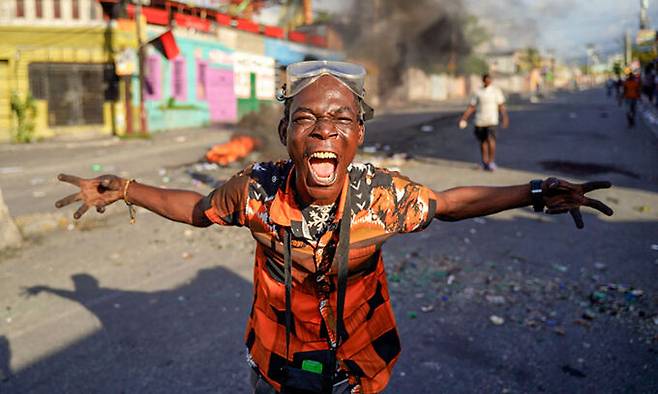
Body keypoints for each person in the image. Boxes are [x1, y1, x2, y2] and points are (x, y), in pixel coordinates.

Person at [55, 61, 614, 394]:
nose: (324, 129)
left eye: (341, 118)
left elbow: (447, 203)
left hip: (360, 363)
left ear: (358, 137)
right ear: (285, 132)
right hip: (275, 364)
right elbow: (197, 208)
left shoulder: (380, 195)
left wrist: (535, 192)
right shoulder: (256, 190)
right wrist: (126, 188)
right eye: (307, 118)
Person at [458, 73, 509, 171]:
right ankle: (484, 161)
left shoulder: (496, 91)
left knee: (491, 140)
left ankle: (491, 161)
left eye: (489, 79)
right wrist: (464, 117)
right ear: (483, 80)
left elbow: (501, 106)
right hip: (480, 120)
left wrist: (505, 117)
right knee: (482, 142)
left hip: (492, 120)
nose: (488, 81)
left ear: (491, 80)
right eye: (486, 79)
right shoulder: (478, 92)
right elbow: (472, 106)